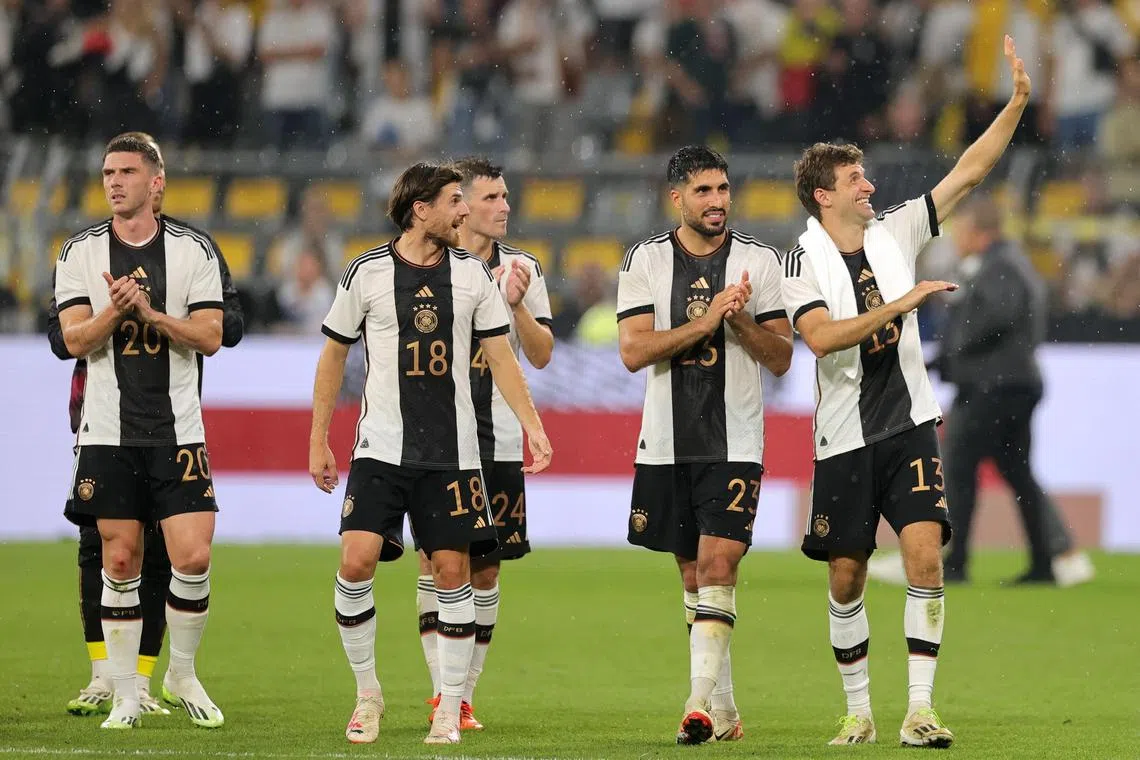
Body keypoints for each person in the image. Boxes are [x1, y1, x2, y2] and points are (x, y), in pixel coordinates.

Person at [779, 34, 1032, 749]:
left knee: (926, 556)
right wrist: (904, 303)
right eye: (856, 179)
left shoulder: (896, 232)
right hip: (844, 437)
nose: (870, 185)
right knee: (848, 575)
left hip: (911, 425)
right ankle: (857, 709)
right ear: (824, 194)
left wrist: (1014, 104)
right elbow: (823, 338)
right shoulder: (800, 258)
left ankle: (919, 709)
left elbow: (969, 172)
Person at [308, 162, 553, 746]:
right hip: (381, 449)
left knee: (452, 572)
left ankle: (449, 707)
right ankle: (368, 694)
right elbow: (333, 356)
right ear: (422, 210)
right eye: (454, 201)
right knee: (356, 561)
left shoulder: (472, 277)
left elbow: (501, 357)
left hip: (455, 454)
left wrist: (533, 427)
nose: (464, 210)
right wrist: (319, 438)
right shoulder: (365, 273)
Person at [47, 132, 244, 719]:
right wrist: (115, 311)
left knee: (192, 556)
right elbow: (70, 340)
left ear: (156, 183)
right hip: (106, 430)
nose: (113, 182)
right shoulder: (79, 252)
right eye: (108, 172)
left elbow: (213, 335)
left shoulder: (194, 250)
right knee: (120, 557)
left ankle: (180, 675)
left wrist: (152, 314)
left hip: (178, 428)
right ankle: (125, 694)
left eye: (126, 172)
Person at [616, 145, 793, 745]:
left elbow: (782, 358)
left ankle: (695, 705)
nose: (717, 201)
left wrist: (740, 321)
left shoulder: (760, 261)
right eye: (703, 191)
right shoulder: (644, 261)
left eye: (723, 189)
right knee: (693, 575)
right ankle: (725, 710)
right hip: (666, 440)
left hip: (735, 440)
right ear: (677, 198)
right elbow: (634, 351)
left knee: (720, 564)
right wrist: (707, 320)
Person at [869, 195, 1094, 587]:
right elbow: (997, 324)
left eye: (961, 230)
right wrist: (943, 360)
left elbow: (991, 320)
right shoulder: (1007, 265)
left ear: (979, 232)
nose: (955, 238)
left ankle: (949, 560)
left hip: (992, 389)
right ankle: (1046, 561)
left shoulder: (1000, 267)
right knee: (1016, 472)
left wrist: (952, 349)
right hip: (1009, 385)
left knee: (956, 468)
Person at [414, 157, 554, 731]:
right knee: (434, 562)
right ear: (463, 204)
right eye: (492, 197)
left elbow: (542, 354)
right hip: (438, 439)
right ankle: (441, 691)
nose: (504, 206)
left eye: (506, 196)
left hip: (495, 440)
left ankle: (464, 694)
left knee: (487, 570)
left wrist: (516, 302)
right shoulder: (428, 264)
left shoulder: (525, 268)